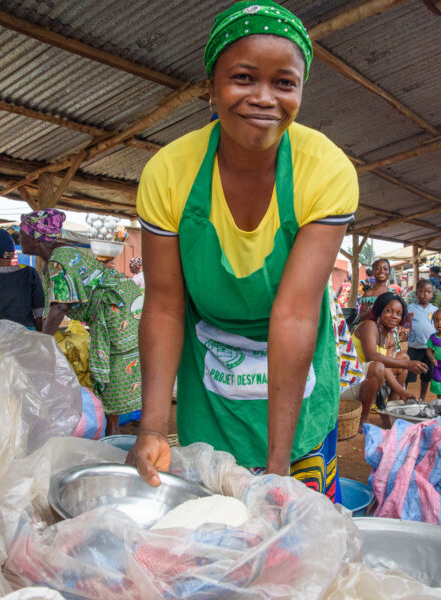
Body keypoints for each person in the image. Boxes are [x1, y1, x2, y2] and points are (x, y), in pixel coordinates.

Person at [129, 1, 358, 501]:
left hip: (295, 386)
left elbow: (296, 314)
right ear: (212, 85)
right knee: (212, 531)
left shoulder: (325, 170)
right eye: (243, 77)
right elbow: (165, 306)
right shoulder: (170, 173)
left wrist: (279, 467)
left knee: (290, 539)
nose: (263, 98)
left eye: (284, 83)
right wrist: (150, 426)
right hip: (210, 390)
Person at [19, 208, 144, 436]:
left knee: (114, 368)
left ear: (36, 237)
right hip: (125, 304)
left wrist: (42, 341)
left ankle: (118, 434)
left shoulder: (58, 261)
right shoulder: (62, 253)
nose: (19, 238)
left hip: (116, 310)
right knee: (115, 368)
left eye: (22, 232)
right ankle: (115, 430)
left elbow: (60, 306)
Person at [351, 293, 427, 423]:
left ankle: (391, 406)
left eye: (398, 314)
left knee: (403, 357)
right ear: (379, 310)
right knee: (381, 365)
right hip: (353, 379)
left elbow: (386, 368)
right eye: (389, 311)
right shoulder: (369, 325)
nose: (393, 316)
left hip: (373, 376)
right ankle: (363, 419)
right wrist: (406, 365)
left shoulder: (390, 338)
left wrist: (402, 391)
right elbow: (371, 356)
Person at [406, 279, 437, 401]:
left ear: (432, 294)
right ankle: (403, 395)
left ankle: (422, 398)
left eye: (428, 292)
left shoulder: (434, 310)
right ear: (416, 293)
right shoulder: (409, 308)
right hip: (414, 347)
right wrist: (406, 320)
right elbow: (404, 324)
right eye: (422, 291)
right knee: (408, 374)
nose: (425, 294)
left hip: (430, 349)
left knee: (426, 376)